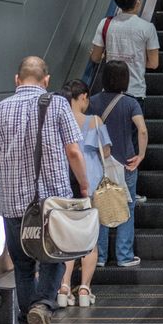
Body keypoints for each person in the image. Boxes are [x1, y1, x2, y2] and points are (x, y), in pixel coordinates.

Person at [0, 56, 88, 324]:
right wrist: (84, 184)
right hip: (51, 202)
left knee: (23, 265)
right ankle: (41, 307)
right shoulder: (57, 105)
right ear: (46, 80)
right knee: (54, 257)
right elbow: (74, 151)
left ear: (17, 80)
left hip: (15, 203)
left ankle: (28, 323)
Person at [90, 0, 158, 203]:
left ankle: (105, 191)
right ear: (137, 2)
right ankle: (129, 192)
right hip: (134, 91)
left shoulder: (105, 24)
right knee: (130, 144)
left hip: (107, 93)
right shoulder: (146, 28)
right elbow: (154, 63)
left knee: (106, 143)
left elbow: (94, 56)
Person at [57, 79, 112, 308]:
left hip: (63, 184)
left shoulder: (57, 121)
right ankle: (84, 289)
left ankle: (63, 287)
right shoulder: (94, 121)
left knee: (66, 239)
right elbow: (106, 151)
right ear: (82, 97)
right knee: (89, 238)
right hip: (90, 184)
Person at [88, 60, 148, 267]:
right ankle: (124, 256)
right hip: (126, 163)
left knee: (100, 205)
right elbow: (141, 129)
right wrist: (140, 155)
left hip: (98, 163)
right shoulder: (131, 103)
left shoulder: (92, 102)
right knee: (126, 206)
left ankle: (100, 256)